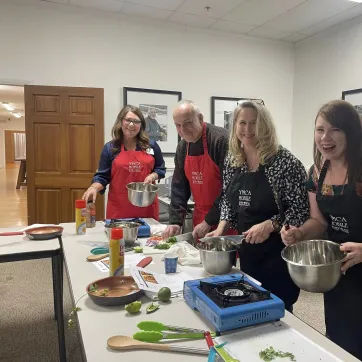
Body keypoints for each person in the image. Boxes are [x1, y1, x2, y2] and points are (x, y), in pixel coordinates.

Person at [207, 100, 309, 312]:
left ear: (265, 126)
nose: (247, 129)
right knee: (250, 302)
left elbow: (300, 209)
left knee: (278, 309)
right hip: (248, 251)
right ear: (235, 126)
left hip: (277, 252)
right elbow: (227, 197)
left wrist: (270, 224)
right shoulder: (233, 160)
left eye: (254, 123)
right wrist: (221, 228)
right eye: (242, 123)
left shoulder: (284, 162)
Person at [281, 100, 362, 360]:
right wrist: (299, 233)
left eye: (335, 129)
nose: (325, 138)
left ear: (350, 132)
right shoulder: (317, 173)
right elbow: (319, 221)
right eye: (319, 130)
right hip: (338, 270)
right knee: (341, 339)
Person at [163, 100, 236, 240]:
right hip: (200, 217)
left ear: (200, 118)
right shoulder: (183, 147)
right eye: (178, 125)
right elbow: (179, 187)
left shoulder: (221, 140)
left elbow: (230, 187)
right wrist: (175, 222)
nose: (182, 130)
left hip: (226, 220)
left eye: (188, 123)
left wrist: (209, 220)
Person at [82, 105, 166, 220]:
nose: (131, 125)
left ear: (141, 125)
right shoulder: (110, 148)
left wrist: (153, 175)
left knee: (149, 238)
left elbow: (160, 169)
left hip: (147, 208)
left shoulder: (151, 145)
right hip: (119, 209)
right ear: (121, 121)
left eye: (136, 121)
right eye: (128, 120)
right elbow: (103, 176)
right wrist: (93, 188)